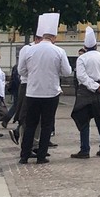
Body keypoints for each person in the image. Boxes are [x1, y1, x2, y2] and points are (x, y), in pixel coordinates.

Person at [18, 19, 71, 165]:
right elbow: (67, 71)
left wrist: (33, 74)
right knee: (47, 125)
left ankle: (24, 155)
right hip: (50, 92)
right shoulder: (59, 51)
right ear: (53, 37)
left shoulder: (30, 50)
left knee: (30, 125)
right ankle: (41, 156)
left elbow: (21, 70)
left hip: (33, 92)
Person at [72, 27, 100, 159]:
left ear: (85, 46)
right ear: (96, 46)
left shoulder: (82, 59)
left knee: (83, 121)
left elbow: (81, 76)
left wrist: (95, 87)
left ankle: (85, 149)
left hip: (86, 92)